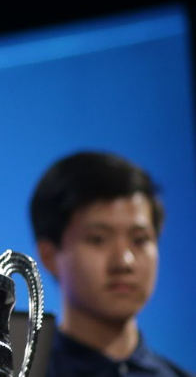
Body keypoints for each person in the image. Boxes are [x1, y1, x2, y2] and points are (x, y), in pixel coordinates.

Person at [30, 151, 190, 377]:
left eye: (140, 240)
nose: (124, 262)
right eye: (98, 239)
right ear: (49, 255)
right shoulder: (24, 371)